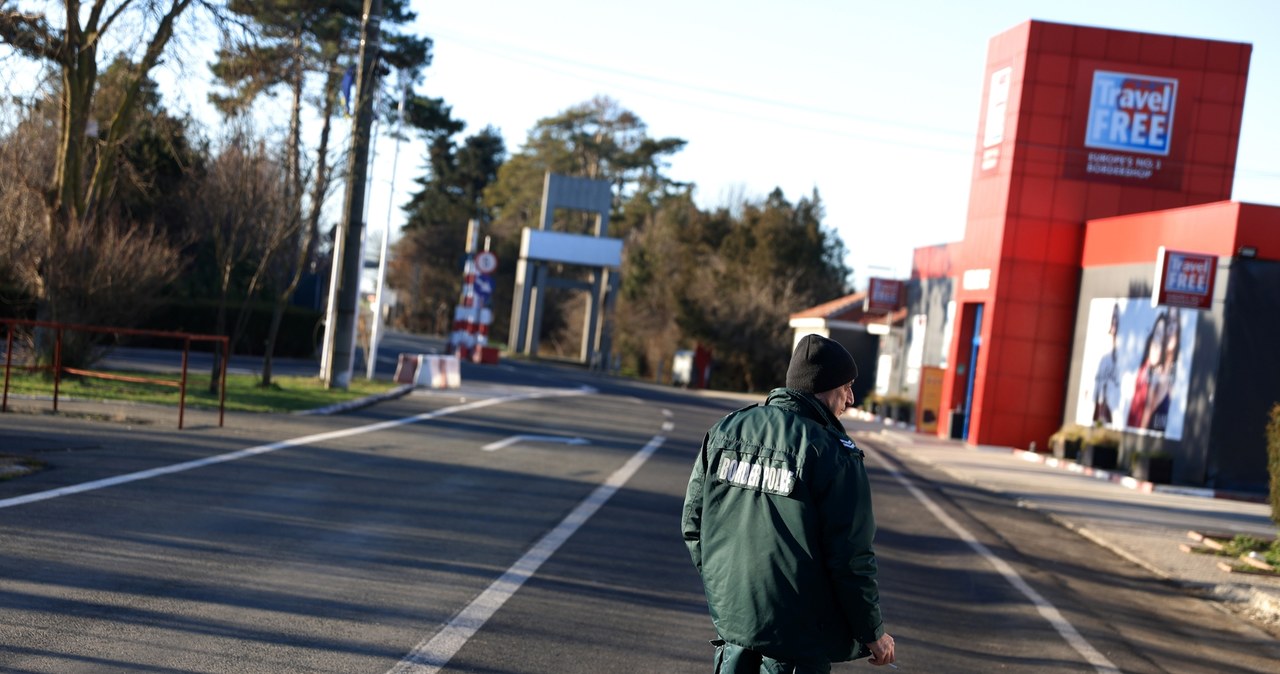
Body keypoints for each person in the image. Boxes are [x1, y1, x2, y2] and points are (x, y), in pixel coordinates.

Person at [681, 333, 896, 673]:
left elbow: (694, 526)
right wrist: (872, 632)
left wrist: (729, 593)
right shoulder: (833, 454)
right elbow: (851, 559)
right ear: (823, 387)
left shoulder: (726, 431)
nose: (851, 399)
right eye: (846, 387)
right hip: (797, 645)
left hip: (734, 630)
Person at [1126, 312, 1167, 429]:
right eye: (1157, 335)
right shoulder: (1143, 367)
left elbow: (1148, 411)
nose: (1157, 344)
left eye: (1162, 341)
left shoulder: (1159, 377)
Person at [1091, 304, 1120, 425]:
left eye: (1115, 321)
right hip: (1100, 402)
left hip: (1108, 406)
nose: (1114, 325)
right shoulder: (1103, 350)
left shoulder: (1118, 354)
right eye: (1112, 320)